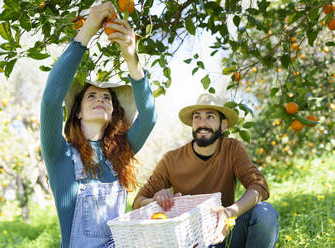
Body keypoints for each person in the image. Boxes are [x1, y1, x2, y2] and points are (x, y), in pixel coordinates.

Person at [40, 2, 156, 247]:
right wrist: (88, 29)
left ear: (113, 112)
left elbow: (149, 117)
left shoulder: (121, 153)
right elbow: (50, 101)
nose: (100, 99)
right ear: (78, 113)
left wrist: (130, 56)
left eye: (106, 98)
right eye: (91, 96)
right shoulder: (60, 156)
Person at [132, 94, 278, 248]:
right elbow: (138, 201)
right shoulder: (171, 159)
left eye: (210, 117)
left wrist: (230, 212)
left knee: (265, 212)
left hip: (224, 234)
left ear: (223, 125)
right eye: (197, 117)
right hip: (188, 241)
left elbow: (259, 186)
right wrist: (154, 200)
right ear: (192, 124)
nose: (203, 123)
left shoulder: (232, 149)